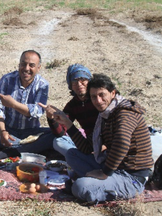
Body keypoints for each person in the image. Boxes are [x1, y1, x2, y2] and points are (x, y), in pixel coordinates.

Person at [53, 73, 153, 203]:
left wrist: (104, 173)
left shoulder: (124, 112)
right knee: (72, 154)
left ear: (112, 93)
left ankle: (99, 185)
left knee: (80, 186)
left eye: (102, 95)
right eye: (94, 97)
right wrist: (68, 124)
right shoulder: (104, 116)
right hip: (113, 168)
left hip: (132, 176)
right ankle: (99, 182)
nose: (98, 101)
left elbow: (122, 143)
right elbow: (87, 148)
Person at [0, 50, 60, 160]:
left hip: (31, 133)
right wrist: (3, 132)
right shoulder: (7, 80)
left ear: (38, 68)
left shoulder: (42, 85)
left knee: (55, 134)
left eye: (31, 65)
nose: (26, 68)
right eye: (23, 64)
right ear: (19, 64)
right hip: (8, 129)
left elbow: (37, 112)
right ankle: (28, 148)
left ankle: (15, 150)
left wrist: (13, 104)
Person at [39, 64, 99, 157]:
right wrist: (51, 118)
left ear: (89, 81)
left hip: (103, 142)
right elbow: (61, 133)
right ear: (70, 86)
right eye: (75, 81)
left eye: (83, 79)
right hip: (88, 144)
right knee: (57, 141)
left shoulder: (98, 99)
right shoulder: (73, 105)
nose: (79, 84)